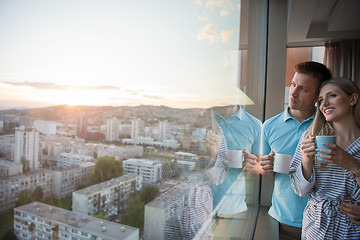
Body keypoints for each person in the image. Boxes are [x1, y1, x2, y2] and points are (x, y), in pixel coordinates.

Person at [260, 61, 332, 239]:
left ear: (318, 96)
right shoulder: (269, 126)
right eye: (293, 84)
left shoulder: (331, 127)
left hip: (324, 223)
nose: (293, 92)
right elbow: (268, 174)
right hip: (283, 221)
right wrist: (266, 169)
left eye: (304, 89)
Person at [289, 77, 360, 239]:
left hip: (352, 231)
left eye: (332, 95)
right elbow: (300, 190)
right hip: (316, 230)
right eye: (320, 100)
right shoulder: (311, 136)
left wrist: (352, 165)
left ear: (352, 99)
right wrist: (306, 161)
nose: (324, 104)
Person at [210, 105, 261, 215]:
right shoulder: (203, 117)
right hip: (197, 206)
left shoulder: (255, 125)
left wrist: (250, 166)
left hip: (232, 208)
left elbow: (258, 168)